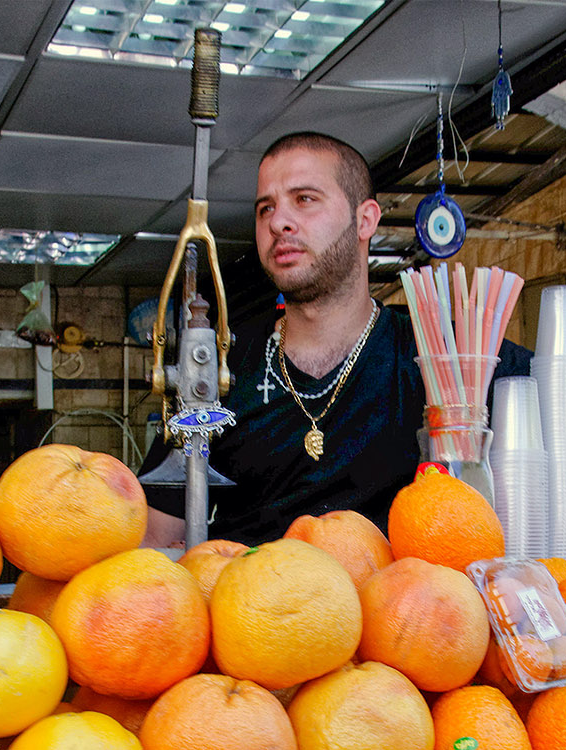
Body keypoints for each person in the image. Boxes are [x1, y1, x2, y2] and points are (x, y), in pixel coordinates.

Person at [142, 132, 530, 547]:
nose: (278, 222)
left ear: (365, 220)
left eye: (304, 199)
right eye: (265, 208)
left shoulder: (439, 355)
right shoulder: (219, 367)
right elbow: (155, 542)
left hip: (402, 606)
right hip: (249, 601)